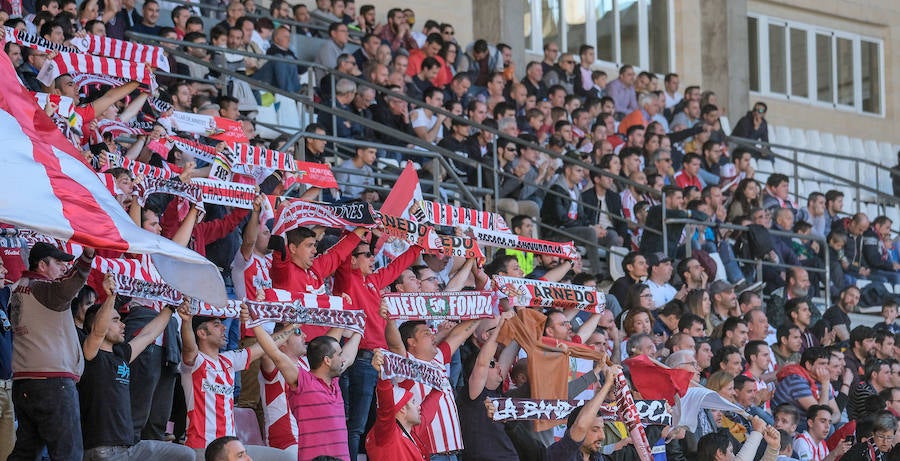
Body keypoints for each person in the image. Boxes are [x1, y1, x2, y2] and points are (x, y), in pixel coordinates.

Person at [79, 274, 194, 461]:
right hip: (103, 449)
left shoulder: (122, 354)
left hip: (131, 447)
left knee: (186, 455)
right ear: (96, 324)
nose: (123, 324)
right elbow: (98, 331)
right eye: (115, 320)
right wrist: (111, 297)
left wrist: (172, 304)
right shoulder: (91, 354)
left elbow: (149, 334)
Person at [8, 242, 95, 461]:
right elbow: (71, 284)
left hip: (25, 382)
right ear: (42, 265)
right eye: (58, 263)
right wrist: (86, 257)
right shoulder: (44, 289)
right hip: (53, 383)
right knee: (68, 454)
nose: (64, 268)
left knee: (26, 453)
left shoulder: (19, 288)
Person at [178, 310, 294, 460]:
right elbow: (189, 348)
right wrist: (186, 322)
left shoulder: (229, 360)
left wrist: (294, 325)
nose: (224, 328)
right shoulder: (195, 361)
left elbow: (267, 346)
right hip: (201, 447)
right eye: (216, 325)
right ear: (202, 333)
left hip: (230, 449)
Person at [546, 364, 619, 460]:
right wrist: (608, 383)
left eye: (602, 429)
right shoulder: (560, 453)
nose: (602, 436)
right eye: (595, 430)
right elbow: (580, 426)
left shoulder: (598, 458)